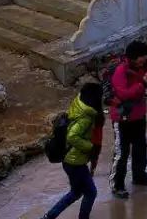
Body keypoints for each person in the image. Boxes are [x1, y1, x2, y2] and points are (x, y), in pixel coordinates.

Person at [39, 82, 104, 219]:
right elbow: (72, 136)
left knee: (76, 192)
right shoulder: (86, 117)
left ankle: (49, 216)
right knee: (90, 192)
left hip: (70, 160)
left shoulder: (79, 105)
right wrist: (90, 147)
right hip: (75, 162)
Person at [109, 40, 147, 198]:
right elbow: (123, 94)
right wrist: (143, 84)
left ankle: (139, 175)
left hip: (138, 115)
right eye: (141, 56)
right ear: (133, 57)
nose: (143, 59)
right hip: (122, 118)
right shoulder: (120, 71)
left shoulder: (144, 67)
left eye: (144, 56)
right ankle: (117, 184)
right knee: (121, 153)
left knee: (140, 147)